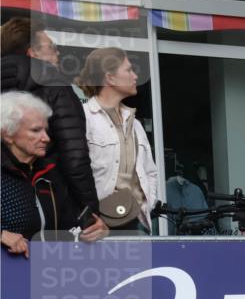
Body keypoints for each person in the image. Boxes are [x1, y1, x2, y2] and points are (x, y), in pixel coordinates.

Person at [1, 17, 105, 229]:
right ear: (32, 53)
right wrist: (90, 211)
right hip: (51, 199)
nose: (58, 54)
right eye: (53, 47)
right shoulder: (53, 82)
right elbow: (74, 153)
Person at [1, 91, 106, 257]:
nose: (46, 138)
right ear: (8, 134)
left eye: (46, 130)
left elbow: (69, 225)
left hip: (44, 273)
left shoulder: (49, 174)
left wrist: (94, 230)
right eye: (36, 130)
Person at [76, 47, 158, 231]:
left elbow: (150, 172)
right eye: (129, 70)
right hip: (96, 227)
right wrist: (90, 218)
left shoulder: (135, 124)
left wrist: (146, 205)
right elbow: (74, 174)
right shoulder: (84, 118)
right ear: (110, 77)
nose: (135, 76)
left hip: (137, 224)